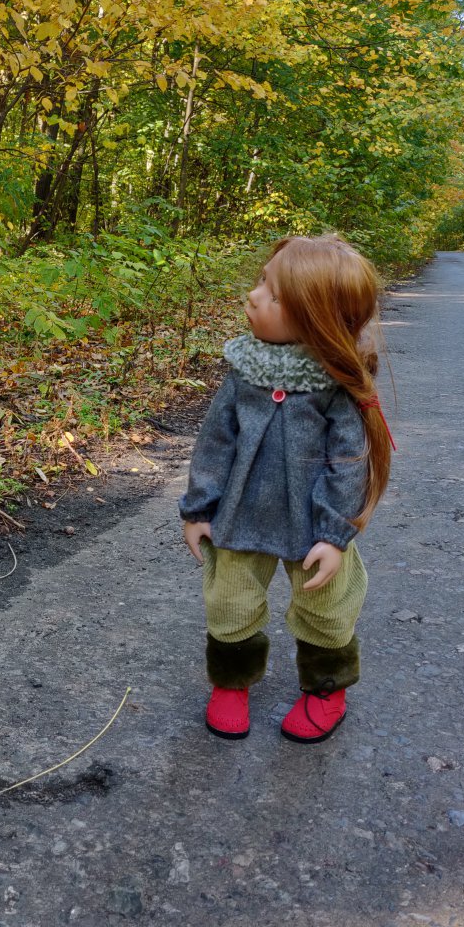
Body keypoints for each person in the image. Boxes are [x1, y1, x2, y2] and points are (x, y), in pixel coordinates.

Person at [179, 235, 394, 743]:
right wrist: (198, 509)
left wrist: (336, 533)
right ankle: (231, 682)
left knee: (326, 607)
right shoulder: (242, 374)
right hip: (238, 517)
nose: (254, 297)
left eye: (274, 295)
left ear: (317, 317)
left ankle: (325, 688)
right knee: (229, 602)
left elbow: (349, 462)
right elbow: (215, 445)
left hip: (313, 525)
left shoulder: (335, 386)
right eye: (261, 282)